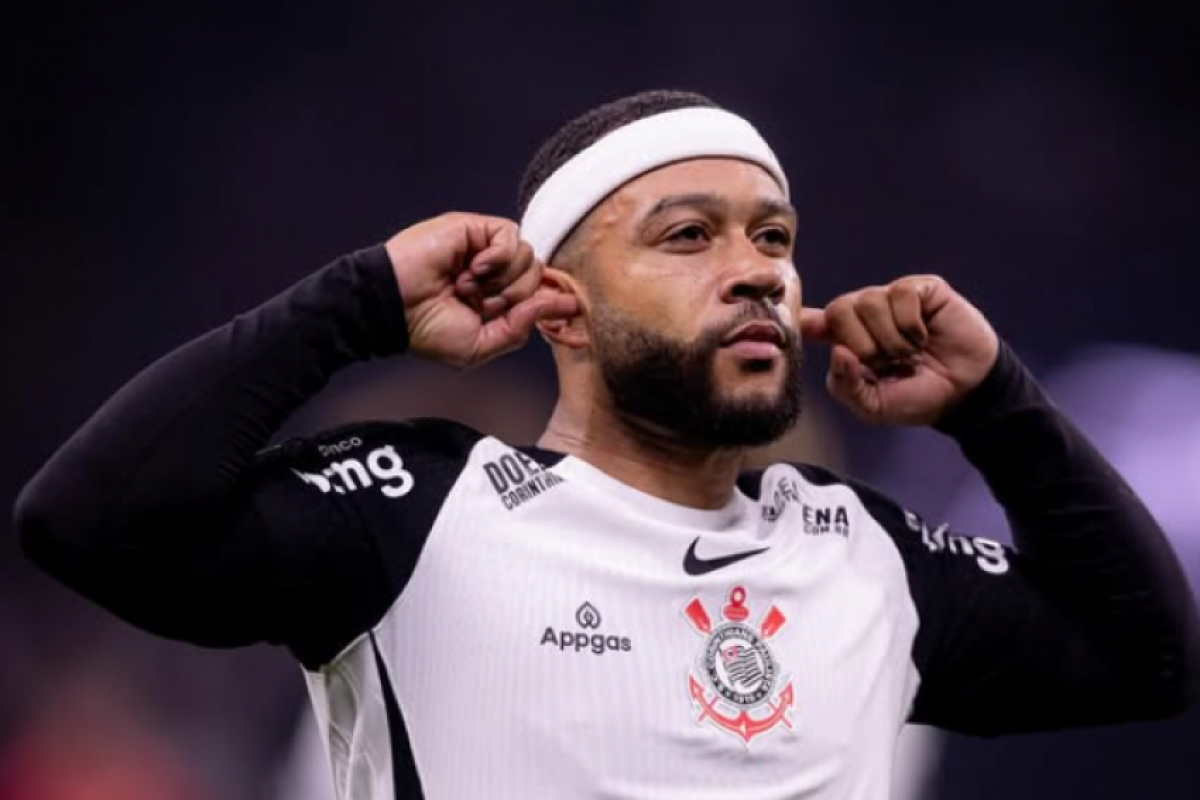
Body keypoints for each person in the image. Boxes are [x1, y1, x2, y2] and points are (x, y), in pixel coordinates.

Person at [13, 90, 1199, 799]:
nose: (757, 270)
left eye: (774, 237)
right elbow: (90, 520)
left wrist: (997, 405)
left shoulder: (863, 550)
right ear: (562, 306)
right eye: (688, 235)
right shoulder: (420, 512)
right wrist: (354, 303)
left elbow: (1144, 653)